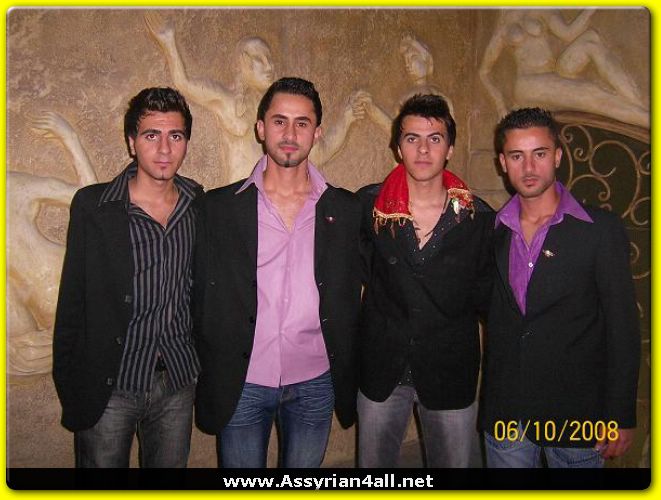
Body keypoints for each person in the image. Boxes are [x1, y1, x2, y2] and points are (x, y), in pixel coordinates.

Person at [194, 77, 362, 468]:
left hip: (315, 379)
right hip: (243, 379)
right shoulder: (219, 208)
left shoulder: (345, 209)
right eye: (279, 121)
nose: (290, 134)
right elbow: (197, 293)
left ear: (317, 133)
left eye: (302, 123)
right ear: (260, 128)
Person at [479, 107, 640, 468]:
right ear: (503, 163)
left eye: (539, 153)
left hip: (577, 414)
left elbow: (623, 328)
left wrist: (620, 414)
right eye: (516, 156)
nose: (529, 167)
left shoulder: (600, 229)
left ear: (557, 156)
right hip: (508, 412)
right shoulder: (493, 231)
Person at [52, 87, 203, 468]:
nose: (164, 149)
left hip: (176, 382)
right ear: (131, 142)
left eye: (176, 136)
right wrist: (71, 385)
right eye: (152, 135)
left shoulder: (198, 205)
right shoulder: (94, 207)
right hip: (110, 384)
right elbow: (72, 301)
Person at [356, 94, 494, 468]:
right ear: (398, 147)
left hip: (451, 372)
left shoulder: (479, 219)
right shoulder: (369, 208)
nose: (422, 149)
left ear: (450, 149)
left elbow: (489, 299)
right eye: (412, 138)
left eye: (434, 139)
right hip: (382, 370)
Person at [144, 12, 370, 184]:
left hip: (276, 209)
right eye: (259, 60)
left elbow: (318, 154)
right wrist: (169, 43)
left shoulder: (283, 115)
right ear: (243, 64)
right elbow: (185, 84)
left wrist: (346, 119)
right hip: (238, 211)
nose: (268, 66)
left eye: (269, 59)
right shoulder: (231, 103)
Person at [8, 111, 97, 376]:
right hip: (28, 322)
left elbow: (91, 205)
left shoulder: (12, 186)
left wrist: (70, 139)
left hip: (66, 282)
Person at [479, 9, 648, 128]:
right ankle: (646, 118)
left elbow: (568, 34)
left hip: (553, 73)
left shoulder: (542, 8)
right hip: (531, 84)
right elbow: (484, 72)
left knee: (591, 40)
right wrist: (501, 106)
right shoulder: (506, 21)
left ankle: (637, 104)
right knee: (593, 93)